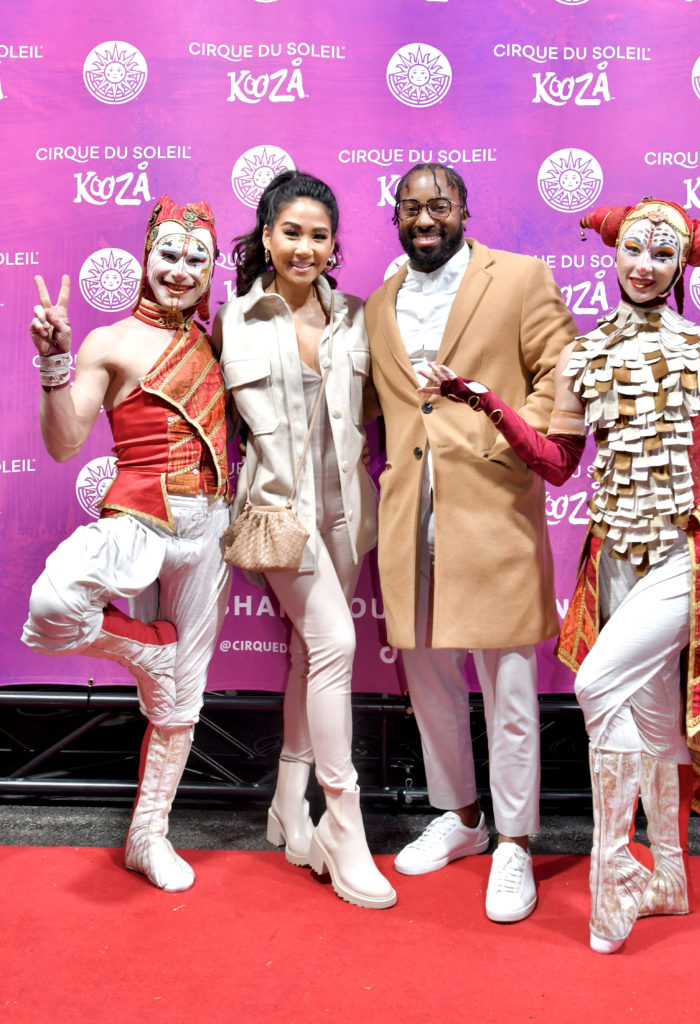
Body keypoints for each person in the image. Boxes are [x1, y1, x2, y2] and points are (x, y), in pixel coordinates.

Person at [418, 195, 700, 951]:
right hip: (612, 557)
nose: (642, 264)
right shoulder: (584, 355)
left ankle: (614, 874)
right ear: (615, 255)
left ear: (677, 268)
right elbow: (558, 465)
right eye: (633, 249)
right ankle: (667, 874)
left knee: (596, 684)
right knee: (656, 718)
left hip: (686, 553)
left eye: (660, 255)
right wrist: (481, 399)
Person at [364, 163, 577, 923]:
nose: (424, 218)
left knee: (509, 686)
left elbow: (559, 367)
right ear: (394, 217)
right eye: (409, 207)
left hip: (492, 508)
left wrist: (513, 446)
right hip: (405, 513)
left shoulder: (519, 277)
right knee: (427, 678)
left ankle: (515, 840)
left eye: (438, 205)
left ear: (463, 210)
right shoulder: (378, 304)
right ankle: (459, 817)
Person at [22, 195, 232, 893]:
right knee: (53, 604)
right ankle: (147, 650)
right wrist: (54, 361)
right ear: (145, 255)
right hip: (140, 517)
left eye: (196, 258)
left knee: (182, 702)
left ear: (211, 269)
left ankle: (149, 835)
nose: (180, 269)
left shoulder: (218, 339)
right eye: (168, 253)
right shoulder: (109, 341)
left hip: (213, 530)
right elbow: (62, 443)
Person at [214, 170, 395, 910]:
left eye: (319, 235)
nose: (305, 246)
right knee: (334, 646)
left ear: (332, 245)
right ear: (265, 237)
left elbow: (394, 410)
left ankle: (286, 803)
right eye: (291, 232)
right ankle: (340, 824)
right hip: (277, 515)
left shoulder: (357, 317)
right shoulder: (232, 319)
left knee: (304, 653)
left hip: (348, 514)